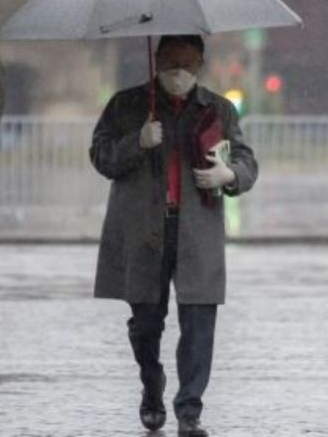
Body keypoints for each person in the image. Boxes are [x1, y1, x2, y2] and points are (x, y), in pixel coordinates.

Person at [90, 35, 257, 437]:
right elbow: (101, 155)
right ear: (156, 60)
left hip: (197, 227)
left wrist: (229, 174)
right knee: (146, 322)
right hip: (143, 228)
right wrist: (137, 142)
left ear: (200, 62)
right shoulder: (128, 105)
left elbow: (246, 158)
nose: (177, 71)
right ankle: (152, 385)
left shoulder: (217, 108)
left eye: (186, 62)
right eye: (169, 61)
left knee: (200, 319)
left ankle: (189, 410)